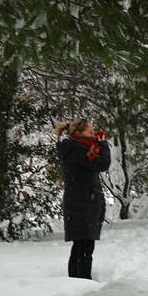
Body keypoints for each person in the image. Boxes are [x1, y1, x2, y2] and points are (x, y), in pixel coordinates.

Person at [55, 119, 111, 279]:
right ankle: (83, 283)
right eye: (90, 132)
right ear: (78, 134)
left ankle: (75, 281)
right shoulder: (77, 152)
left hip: (80, 201)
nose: (94, 134)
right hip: (83, 203)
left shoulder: (76, 149)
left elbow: (94, 159)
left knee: (80, 245)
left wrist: (97, 145)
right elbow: (102, 164)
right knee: (85, 246)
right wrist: (104, 145)